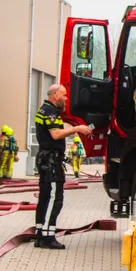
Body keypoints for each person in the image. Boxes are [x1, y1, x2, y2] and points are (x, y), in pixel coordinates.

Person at [33, 84, 91, 249]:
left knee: (44, 197)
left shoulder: (44, 110)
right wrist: (77, 128)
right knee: (54, 199)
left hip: (46, 159)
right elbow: (56, 134)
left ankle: (40, 234)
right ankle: (48, 237)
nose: (66, 98)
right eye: (64, 95)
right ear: (55, 95)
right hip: (51, 161)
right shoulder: (50, 112)